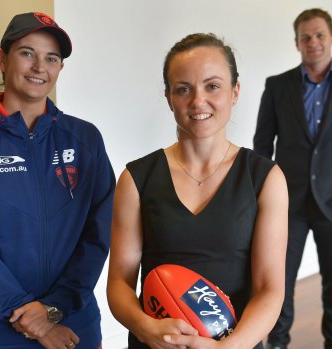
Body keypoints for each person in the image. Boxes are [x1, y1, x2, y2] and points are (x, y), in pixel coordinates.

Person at [0, 12, 115, 349]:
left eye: (51, 58)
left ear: (60, 68)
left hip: (73, 316)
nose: (39, 67)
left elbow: (99, 231)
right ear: (2, 59)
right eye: (27, 53)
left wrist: (54, 308)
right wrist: (32, 318)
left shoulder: (85, 139)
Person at [107, 33, 289, 349]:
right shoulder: (136, 178)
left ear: (235, 92)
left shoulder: (265, 178)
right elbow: (120, 283)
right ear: (168, 97)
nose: (198, 101)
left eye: (212, 86)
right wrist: (146, 328)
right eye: (183, 89)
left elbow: (269, 288)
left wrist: (225, 348)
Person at [253, 8, 332, 349]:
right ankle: (276, 343)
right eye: (306, 37)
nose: (313, 42)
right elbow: (263, 145)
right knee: (278, 282)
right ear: (296, 43)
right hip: (287, 206)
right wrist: (265, 197)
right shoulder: (277, 86)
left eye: (320, 34)